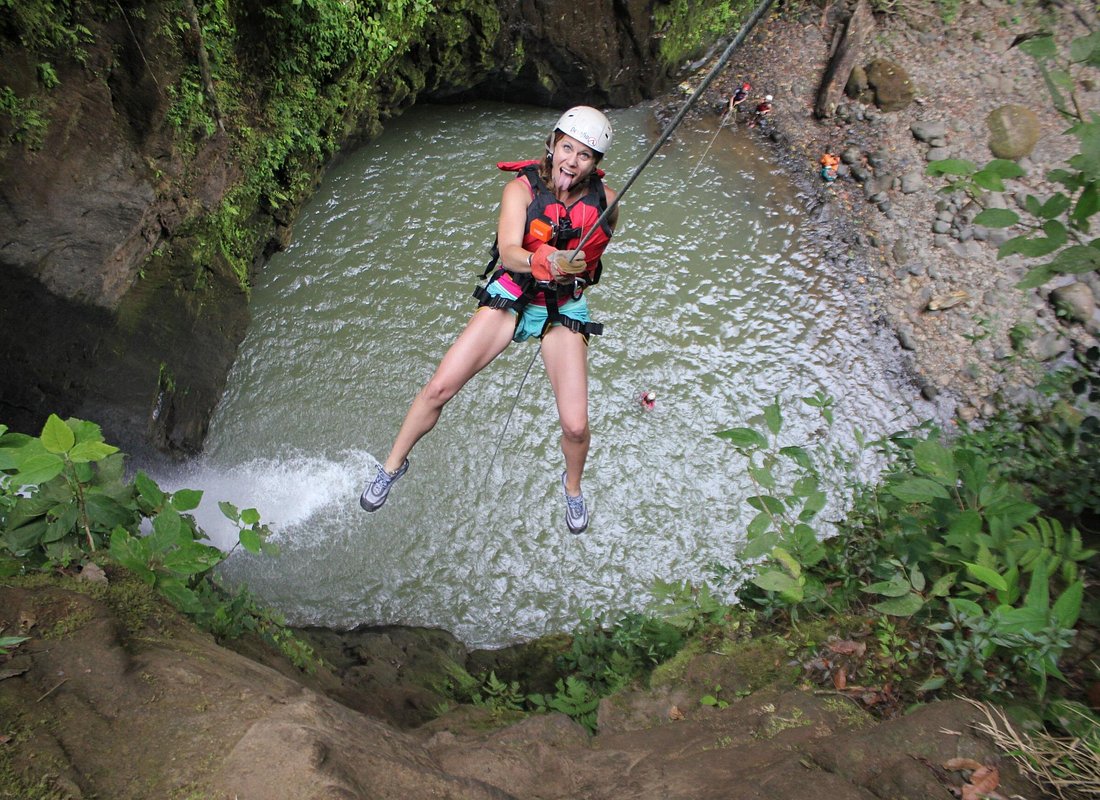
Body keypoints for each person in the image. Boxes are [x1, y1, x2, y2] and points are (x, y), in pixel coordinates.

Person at [359, 106, 619, 535]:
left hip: (563, 305)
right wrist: (549, 259)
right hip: (516, 289)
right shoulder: (520, 190)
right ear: (552, 145)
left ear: (595, 165)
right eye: (566, 148)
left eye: (584, 155)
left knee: (575, 425)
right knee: (439, 387)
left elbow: (595, 257)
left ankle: (572, 487)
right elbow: (511, 250)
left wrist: (575, 267)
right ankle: (392, 465)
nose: (571, 161)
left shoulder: (607, 204)